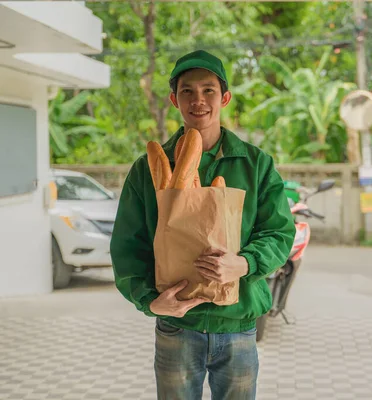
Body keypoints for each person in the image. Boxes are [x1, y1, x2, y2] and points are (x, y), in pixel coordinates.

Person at [110, 49, 296, 400]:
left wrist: (243, 263)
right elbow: (127, 245)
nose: (199, 100)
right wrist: (150, 302)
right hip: (177, 326)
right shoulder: (147, 169)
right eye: (188, 91)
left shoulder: (255, 164)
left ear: (224, 97)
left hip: (238, 323)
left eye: (208, 90)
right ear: (174, 99)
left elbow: (279, 231)